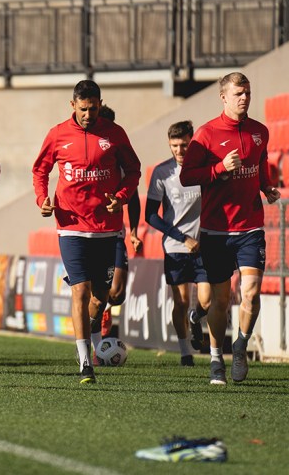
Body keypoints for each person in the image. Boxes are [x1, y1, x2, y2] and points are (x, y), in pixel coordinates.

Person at [32, 79, 141, 384]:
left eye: (93, 109)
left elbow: (134, 171)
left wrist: (120, 196)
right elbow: (40, 170)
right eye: (83, 109)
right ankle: (84, 362)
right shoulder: (57, 134)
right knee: (79, 291)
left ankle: (93, 327)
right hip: (71, 227)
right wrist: (43, 199)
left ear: (99, 104)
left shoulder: (114, 134)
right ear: (73, 105)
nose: (88, 115)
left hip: (107, 230)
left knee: (100, 297)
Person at [180, 72, 280, 385]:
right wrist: (219, 168)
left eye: (247, 93)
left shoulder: (260, 132)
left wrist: (266, 187)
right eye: (238, 94)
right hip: (216, 231)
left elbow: (260, 164)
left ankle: (239, 346)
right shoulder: (206, 134)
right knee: (220, 301)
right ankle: (215, 359)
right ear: (223, 97)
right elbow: (187, 177)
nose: (244, 98)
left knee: (250, 294)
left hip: (250, 228)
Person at [146, 120, 210, 367]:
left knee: (206, 301)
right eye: (174, 146)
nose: (179, 150)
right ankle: (185, 352)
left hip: (204, 246)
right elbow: (150, 215)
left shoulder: (205, 169)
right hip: (176, 247)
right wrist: (183, 238)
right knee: (181, 300)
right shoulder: (162, 173)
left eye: (184, 145)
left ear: (192, 142)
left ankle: (196, 318)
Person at [94, 105, 141, 346]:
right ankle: (90, 342)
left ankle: (102, 312)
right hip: (86, 233)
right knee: (93, 293)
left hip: (114, 233)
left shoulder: (120, 158)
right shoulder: (83, 155)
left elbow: (132, 196)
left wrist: (133, 231)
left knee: (117, 293)